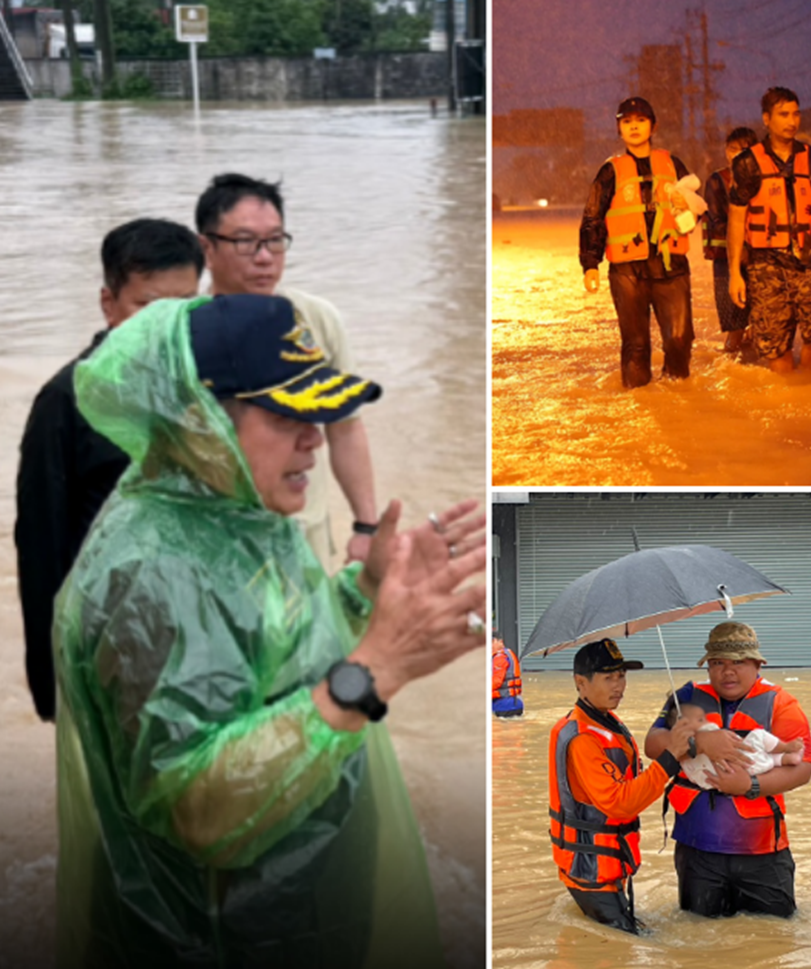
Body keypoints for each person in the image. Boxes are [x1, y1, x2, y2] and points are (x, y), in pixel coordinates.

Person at [53, 292, 487, 967]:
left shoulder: (236, 514)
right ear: (200, 416)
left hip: (298, 908)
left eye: (320, 411)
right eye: (289, 412)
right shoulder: (150, 572)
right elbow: (194, 807)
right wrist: (371, 673)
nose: (316, 436)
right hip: (219, 936)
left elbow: (275, 652)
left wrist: (365, 591)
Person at [15, 218, 204, 722]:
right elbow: (42, 545)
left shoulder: (206, 391)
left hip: (195, 627)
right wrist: (50, 678)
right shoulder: (64, 402)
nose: (165, 323)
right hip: (107, 635)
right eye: (147, 306)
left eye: (184, 304)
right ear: (108, 303)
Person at [195, 173, 377, 567]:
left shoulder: (316, 319)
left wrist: (366, 527)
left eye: (275, 240)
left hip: (302, 537)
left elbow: (345, 428)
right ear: (206, 248)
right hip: (218, 542)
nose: (264, 257)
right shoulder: (186, 333)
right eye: (245, 242)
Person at [644, 621, 811, 918]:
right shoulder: (686, 697)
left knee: (770, 943)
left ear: (757, 663)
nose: (728, 671)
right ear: (707, 666)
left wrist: (750, 786)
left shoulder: (782, 703)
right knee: (698, 941)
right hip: (698, 851)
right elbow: (652, 744)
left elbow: (803, 769)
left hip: (764, 853)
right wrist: (698, 742)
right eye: (718, 663)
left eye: (738, 662)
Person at [549, 638, 692, 934]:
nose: (619, 686)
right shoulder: (583, 738)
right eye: (608, 677)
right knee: (631, 943)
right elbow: (620, 802)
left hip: (605, 864)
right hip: (591, 870)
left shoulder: (605, 721)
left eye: (622, 675)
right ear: (580, 683)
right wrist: (670, 758)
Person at [726, 87, 811, 373]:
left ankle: (806, 384)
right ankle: (787, 393)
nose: (792, 121)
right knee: (775, 346)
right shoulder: (748, 163)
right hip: (766, 264)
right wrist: (734, 274)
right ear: (766, 119)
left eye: (796, 114)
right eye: (783, 115)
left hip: (809, 259)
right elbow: (736, 221)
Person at [579, 96, 696, 387]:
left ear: (653, 126)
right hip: (627, 270)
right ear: (619, 129)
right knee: (636, 344)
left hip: (671, 265)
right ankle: (640, 405)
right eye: (627, 122)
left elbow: (693, 218)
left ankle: (678, 401)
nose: (634, 127)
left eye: (640, 121)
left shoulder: (672, 164)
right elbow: (593, 216)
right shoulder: (611, 171)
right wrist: (590, 263)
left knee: (680, 339)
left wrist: (686, 209)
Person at [703, 126, 758, 354]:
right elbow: (717, 219)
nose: (737, 154)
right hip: (725, 258)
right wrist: (739, 248)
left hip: (758, 255)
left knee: (760, 318)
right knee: (734, 320)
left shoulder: (762, 179)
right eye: (733, 149)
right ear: (726, 151)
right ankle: (732, 353)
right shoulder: (717, 181)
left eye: (744, 149)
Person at [667, 701, 803, 790]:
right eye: (700, 719)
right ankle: (785, 749)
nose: (704, 721)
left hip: (719, 781)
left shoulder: (678, 751)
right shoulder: (709, 731)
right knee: (758, 736)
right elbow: (735, 742)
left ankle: (781, 759)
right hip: (747, 766)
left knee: (760, 756)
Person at [492, 632, 524, 718]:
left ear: (495, 641)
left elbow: (496, 682)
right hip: (516, 703)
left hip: (503, 706)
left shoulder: (499, 658)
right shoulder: (509, 654)